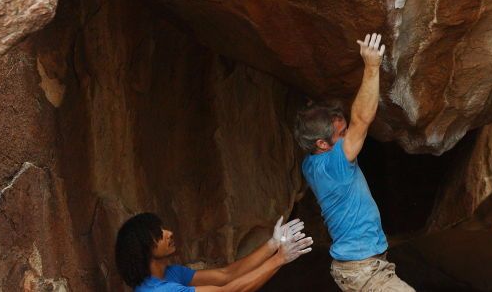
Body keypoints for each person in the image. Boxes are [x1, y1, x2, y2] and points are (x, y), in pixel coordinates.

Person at [295, 32, 414, 292]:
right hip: (363, 271)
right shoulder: (334, 166)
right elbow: (361, 119)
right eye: (342, 134)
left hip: (359, 267)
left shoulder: (311, 164)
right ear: (322, 145)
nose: (350, 135)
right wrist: (372, 67)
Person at [115, 212, 312, 291]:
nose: (169, 233)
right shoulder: (160, 290)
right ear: (145, 249)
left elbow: (225, 275)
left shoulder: (169, 273)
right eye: (159, 234)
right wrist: (279, 259)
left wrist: (273, 244)